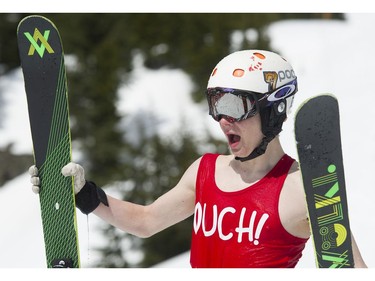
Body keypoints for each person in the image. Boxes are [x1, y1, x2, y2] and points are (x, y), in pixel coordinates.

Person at [29, 49, 367, 268]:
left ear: (275, 110)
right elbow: (146, 222)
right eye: (216, 105)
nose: (223, 120)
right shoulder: (205, 171)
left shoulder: (302, 189)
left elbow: (352, 269)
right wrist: (83, 193)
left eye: (235, 106)